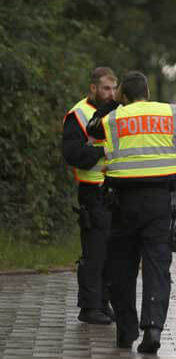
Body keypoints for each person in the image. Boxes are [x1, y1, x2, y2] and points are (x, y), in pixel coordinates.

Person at [87, 71, 176, 354]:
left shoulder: (114, 118)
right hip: (159, 203)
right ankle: (153, 328)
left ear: (122, 94)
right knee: (158, 266)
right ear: (148, 91)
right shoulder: (169, 115)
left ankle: (126, 331)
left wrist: (111, 103)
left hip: (123, 203)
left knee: (121, 267)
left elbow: (92, 128)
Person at [62, 66, 118, 325]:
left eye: (114, 88)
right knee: (94, 253)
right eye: (106, 88)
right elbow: (72, 154)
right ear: (93, 88)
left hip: (115, 190)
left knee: (112, 252)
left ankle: (103, 303)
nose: (111, 93)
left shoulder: (117, 113)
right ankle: (88, 307)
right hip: (92, 192)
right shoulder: (80, 114)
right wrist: (100, 152)